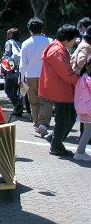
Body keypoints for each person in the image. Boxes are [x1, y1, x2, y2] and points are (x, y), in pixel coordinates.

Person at [39, 24, 80, 157]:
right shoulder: (57, 50)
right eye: (74, 39)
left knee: (69, 117)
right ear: (68, 39)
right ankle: (56, 145)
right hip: (60, 89)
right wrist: (80, 80)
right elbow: (66, 73)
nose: (75, 42)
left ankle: (54, 139)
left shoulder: (58, 48)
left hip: (61, 88)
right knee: (64, 119)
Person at [19, 17, 53, 136]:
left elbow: (23, 64)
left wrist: (21, 79)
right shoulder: (49, 41)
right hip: (46, 75)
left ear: (29, 29)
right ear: (42, 28)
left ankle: (35, 123)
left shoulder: (25, 43)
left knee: (33, 101)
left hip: (30, 75)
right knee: (46, 100)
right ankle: (43, 123)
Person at [73, 54, 91, 161]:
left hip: (83, 108)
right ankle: (80, 152)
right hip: (88, 109)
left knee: (87, 130)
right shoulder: (88, 79)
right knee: (88, 131)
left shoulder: (83, 77)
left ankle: (80, 151)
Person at [2, 28, 22, 116]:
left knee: (8, 90)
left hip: (11, 70)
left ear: (10, 35)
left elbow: (7, 54)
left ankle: (18, 105)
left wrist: (2, 60)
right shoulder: (21, 44)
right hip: (20, 70)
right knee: (18, 90)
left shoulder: (9, 42)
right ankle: (19, 109)